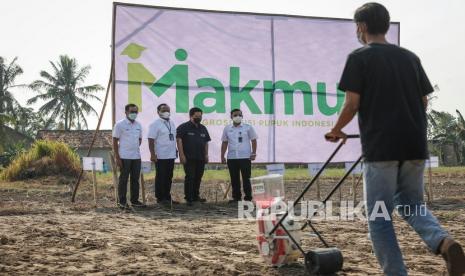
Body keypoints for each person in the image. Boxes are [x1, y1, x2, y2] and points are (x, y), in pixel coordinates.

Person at [325, 3, 465, 275]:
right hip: (414, 144)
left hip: (381, 148)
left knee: (379, 216)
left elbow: (352, 103)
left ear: (362, 27)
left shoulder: (359, 57)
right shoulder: (410, 58)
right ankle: (444, 242)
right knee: (411, 204)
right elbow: (424, 101)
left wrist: (337, 129)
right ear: (386, 25)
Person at [112, 103, 146, 209]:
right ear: (126, 112)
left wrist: (134, 147)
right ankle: (122, 202)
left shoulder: (138, 125)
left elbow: (140, 139)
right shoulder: (119, 124)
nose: (134, 113)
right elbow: (114, 140)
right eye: (132, 112)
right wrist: (117, 157)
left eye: (136, 112)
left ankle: (134, 201)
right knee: (123, 179)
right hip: (124, 157)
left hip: (136, 156)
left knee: (135, 180)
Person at [221, 109, 257, 202]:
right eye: (235, 115)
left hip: (245, 157)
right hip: (232, 157)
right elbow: (224, 142)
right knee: (234, 179)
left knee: (246, 178)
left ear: (242, 116)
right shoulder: (227, 128)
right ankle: (236, 198)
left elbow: (254, 140)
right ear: (231, 117)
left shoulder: (248, 127)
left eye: (239, 115)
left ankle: (248, 198)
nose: (238, 116)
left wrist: (253, 153)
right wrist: (222, 156)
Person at [176, 107, 211, 205]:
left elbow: (206, 142)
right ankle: (189, 198)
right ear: (191, 116)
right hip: (188, 157)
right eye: (196, 116)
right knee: (190, 177)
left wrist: (206, 155)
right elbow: (179, 140)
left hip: (201, 157)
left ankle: (196, 196)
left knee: (198, 177)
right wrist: (181, 155)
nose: (199, 118)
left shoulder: (203, 128)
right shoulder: (183, 127)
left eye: (200, 116)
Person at [148, 103, 178, 205]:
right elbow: (151, 139)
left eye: (168, 110)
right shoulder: (155, 124)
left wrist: (175, 149)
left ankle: (167, 197)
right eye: (164, 110)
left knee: (169, 177)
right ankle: (160, 198)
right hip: (160, 155)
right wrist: (152, 154)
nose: (166, 112)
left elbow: (172, 138)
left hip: (171, 155)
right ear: (158, 112)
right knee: (161, 177)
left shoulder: (172, 123)